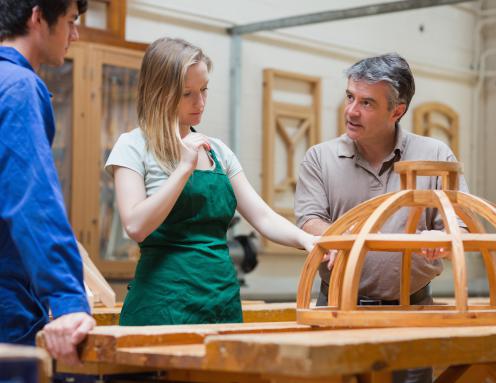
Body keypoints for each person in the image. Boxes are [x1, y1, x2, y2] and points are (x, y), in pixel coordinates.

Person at [105, 37, 316, 326]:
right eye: (187, 93)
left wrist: (307, 240)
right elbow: (136, 226)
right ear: (159, 93)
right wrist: (182, 169)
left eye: (204, 90)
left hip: (221, 304)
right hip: (162, 306)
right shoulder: (133, 146)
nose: (200, 102)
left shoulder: (217, 151)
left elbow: (263, 216)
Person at [294, 53, 468, 383]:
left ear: (397, 111)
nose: (351, 111)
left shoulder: (434, 156)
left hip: (411, 311)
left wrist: (441, 238)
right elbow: (309, 218)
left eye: (367, 103)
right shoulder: (321, 157)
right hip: (336, 309)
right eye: (350, 97)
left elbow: (456, 223)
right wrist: (333, 241)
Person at [0, 0, 95, 364]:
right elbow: (32, 199)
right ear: (38, 17)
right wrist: (67, 299)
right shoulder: (18, 86)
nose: (75, 33)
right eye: (71, 21)